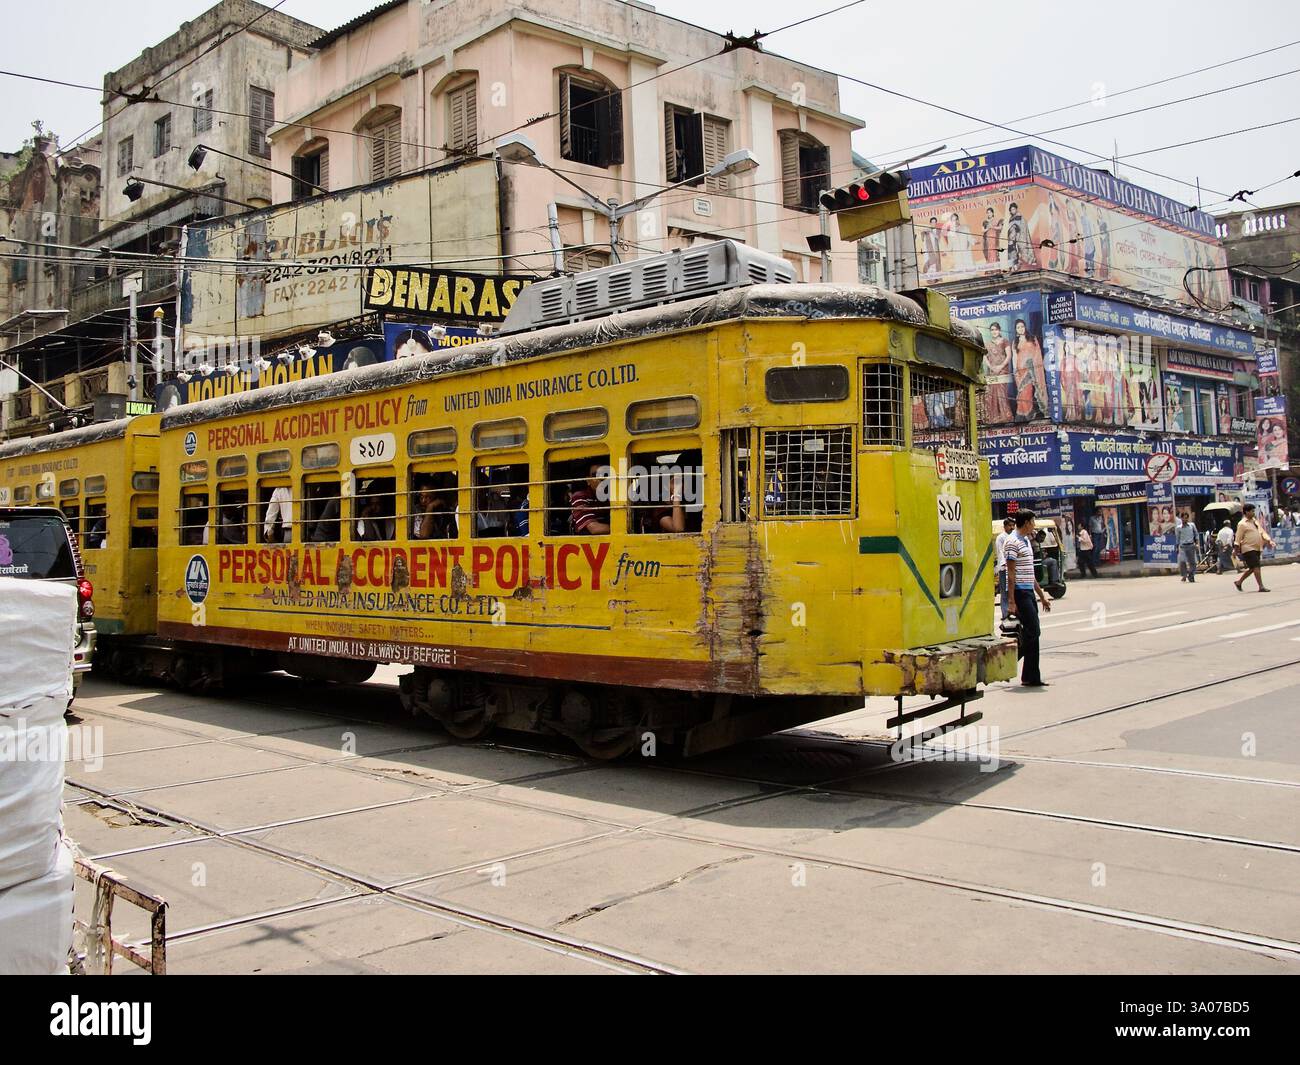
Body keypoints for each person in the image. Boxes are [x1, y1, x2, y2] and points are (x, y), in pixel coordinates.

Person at [1006, 510, 1052, 687]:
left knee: (1034, 633)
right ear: (1026, 523)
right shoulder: (1012, 542)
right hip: (1019, 592)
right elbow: (1010, 573)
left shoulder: (1026, 541)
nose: (1034, 524)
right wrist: (1011, 601)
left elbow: (1029, 573)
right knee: (1033, 631)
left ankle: (1031, 676)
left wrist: (1042, 596)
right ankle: (1010, 660)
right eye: (1033, 521)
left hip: (1029, 592)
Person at [1233, 503, 1274, 592]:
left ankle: (1239, 582)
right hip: (1248, 548)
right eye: (1252, 511)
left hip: (1257, 548)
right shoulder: (1242, 524)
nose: (1253, 513)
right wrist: (1236, 549)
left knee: (1253, 568)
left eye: (1253, 511)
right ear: (1246, 512)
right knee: (1256, 567)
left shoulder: (1254, 521)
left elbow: (1262, 531)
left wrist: (1269, 540)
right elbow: (1238, 537)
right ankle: (1261, 586)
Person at [569, 464, 611, 534]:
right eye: (595, 475)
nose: (600, 478)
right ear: (588, 481)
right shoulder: (579, 497)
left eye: (604, 475)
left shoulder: (613, 496)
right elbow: (594, 529)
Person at [994, 517, 1015, 618]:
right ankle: (1005, 614)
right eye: (1010, 525)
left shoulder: (1015, 536)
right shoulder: (1001, 537)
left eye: (1013, 525)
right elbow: (1000, 553)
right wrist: (1005, 565)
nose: (1012, 527)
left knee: (1013, 592)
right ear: (1005, 527)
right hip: (1004, 569)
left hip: (1013, 568)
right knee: (1005, 593)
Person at [1175, 512, 1199, 582]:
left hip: (1191, 545)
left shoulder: (1192, 525)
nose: (1185, 519)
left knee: (1193, 562)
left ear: (1187, 518)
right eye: (1183, 518)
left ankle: (1191, 575)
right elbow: (1177, 538)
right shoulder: (1178, 528)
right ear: (1181, 518)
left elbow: (1196, 534)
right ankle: (1184, 575)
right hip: (1182, 547)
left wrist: (1197, 544)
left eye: (1186, 518)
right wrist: (1177, 547)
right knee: (1182, 561)